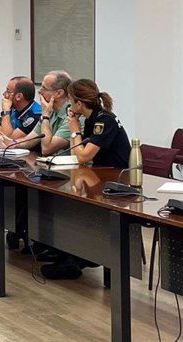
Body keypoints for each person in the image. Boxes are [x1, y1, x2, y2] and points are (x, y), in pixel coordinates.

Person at [39, 79, 131, 281]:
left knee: (73, 207)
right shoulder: (91, 118)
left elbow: (83, 156)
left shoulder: (103, 120)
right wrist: (75, 127)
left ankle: (75, 260)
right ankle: (73, 256)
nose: (69, 106)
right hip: (99, 175)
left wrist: (73, 128)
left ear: (79, 103)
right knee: (67, 199)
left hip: (116, 180)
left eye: (71, 101)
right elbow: (78, 151)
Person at [0, 70, 74, 155]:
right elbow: (30, 140)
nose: (39, 91)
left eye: (44, 88)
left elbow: (46, 149)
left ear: (59, 93)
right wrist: (12, 143)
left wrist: (45, 116)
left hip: (69, 167)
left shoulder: (72, 115)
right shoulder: (50, 111)